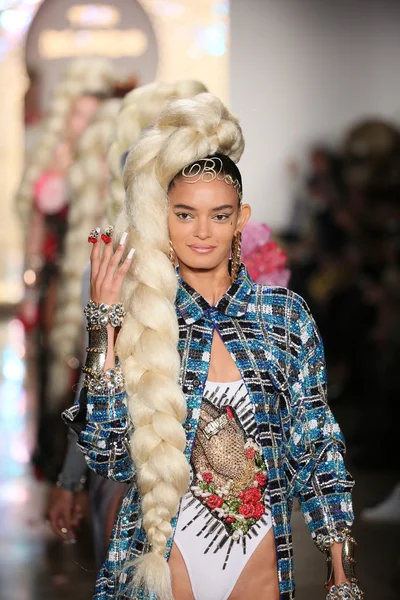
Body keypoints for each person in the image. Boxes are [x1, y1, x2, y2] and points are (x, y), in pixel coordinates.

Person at [63, 93, 363, 600]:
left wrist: (341, 565)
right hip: (166, 556)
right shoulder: (144, 318)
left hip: (260, 561)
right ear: (164, 217)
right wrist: (103, 323)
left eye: (219, 216)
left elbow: (317, 444)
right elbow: (111, 454)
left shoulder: (284, 317)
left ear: (241, 218)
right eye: (184, 214)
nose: (202, 232)